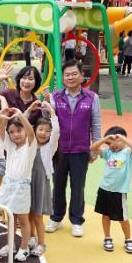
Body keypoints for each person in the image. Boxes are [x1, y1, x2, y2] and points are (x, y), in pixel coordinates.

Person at [46, 60, 101, 237]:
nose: (70, 77)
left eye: (74, 74)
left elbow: (96, 124)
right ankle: (56, 217)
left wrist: (95, 148)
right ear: (63, 78)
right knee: (58, 185)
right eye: (67, 75)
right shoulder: (55, 97)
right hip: (58, 151)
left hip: (81, 150)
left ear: (82, 75)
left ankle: (77, 220)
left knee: (78, 187)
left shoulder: (92, 98)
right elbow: (48, 122)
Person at [0, 107, 38, 261]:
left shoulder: (30, 146)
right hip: (8, 185)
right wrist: (0, 117)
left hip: (21, 188)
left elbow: (31, 133)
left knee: (23, 220)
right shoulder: (11, 146)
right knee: (10, 218)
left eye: (19, 130)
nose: (15, 134)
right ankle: (10, 244)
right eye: (12, 132)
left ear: (24, 130)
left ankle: (24, 247)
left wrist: (21, 116)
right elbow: (1, 131)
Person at [90, 126, 132, 254]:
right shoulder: (108, 153)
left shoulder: (128, 153)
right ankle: (107, 238)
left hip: (119, 192)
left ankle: (128, 239)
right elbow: (93, 148)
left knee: (123, 218)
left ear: (124, 140)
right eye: (109, 144)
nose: (112, 145)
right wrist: (106, 138)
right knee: (105, 215)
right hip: (104, 189)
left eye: (116, 142)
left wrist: (121, 137)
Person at [27, 102, 59, 257]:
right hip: (27, 182)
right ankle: (31, 237)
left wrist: (51, 112)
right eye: (40, 129)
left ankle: (42, 243)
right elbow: (22, 124)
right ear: (34, 130)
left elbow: (56, 131)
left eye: (47, 131)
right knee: (28, 212)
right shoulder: (30, 143)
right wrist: (28, 110)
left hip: (41, 183)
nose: (44, 133)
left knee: (37, 215)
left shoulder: (49, 147)